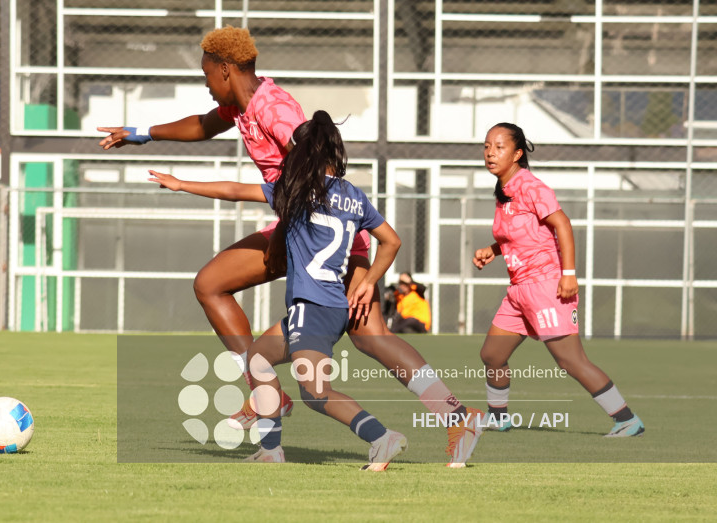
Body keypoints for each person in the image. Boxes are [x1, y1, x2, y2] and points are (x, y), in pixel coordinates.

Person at [98, 26, 486, 464]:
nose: (205, 84)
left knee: (369, 336)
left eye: (207, 74)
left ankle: (449, 416)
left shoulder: (274, 108)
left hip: (325, 235)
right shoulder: (240, 105)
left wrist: (334, 250)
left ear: (225, 69)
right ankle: (276, 403)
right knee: (216, 287)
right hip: (303, 229)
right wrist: (142, 133)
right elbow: (203, 125)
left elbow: (320, 165)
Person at [150, 111, 407, 469]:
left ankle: (382, 437)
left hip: (312, 308)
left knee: (316, 394)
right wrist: (367, 281)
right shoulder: (354, 196)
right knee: (257, 358)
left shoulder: (297, 190)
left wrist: (182, 184)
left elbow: (235, 191)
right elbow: (391, 242)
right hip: (330, 306)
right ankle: (271, 450)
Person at [472, 122, 644, 437]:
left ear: (518, 153)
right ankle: (498, 417)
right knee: (492, 354)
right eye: (486, 146)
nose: (490, 153)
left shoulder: (531, 186)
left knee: (570, 361)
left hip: (546, 286)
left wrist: (568, 274)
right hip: (519, 290)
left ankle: (627, 419)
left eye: (499, 147)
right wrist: (493, 250)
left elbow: (562, 225)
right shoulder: (504, 190)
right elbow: (523, 235)